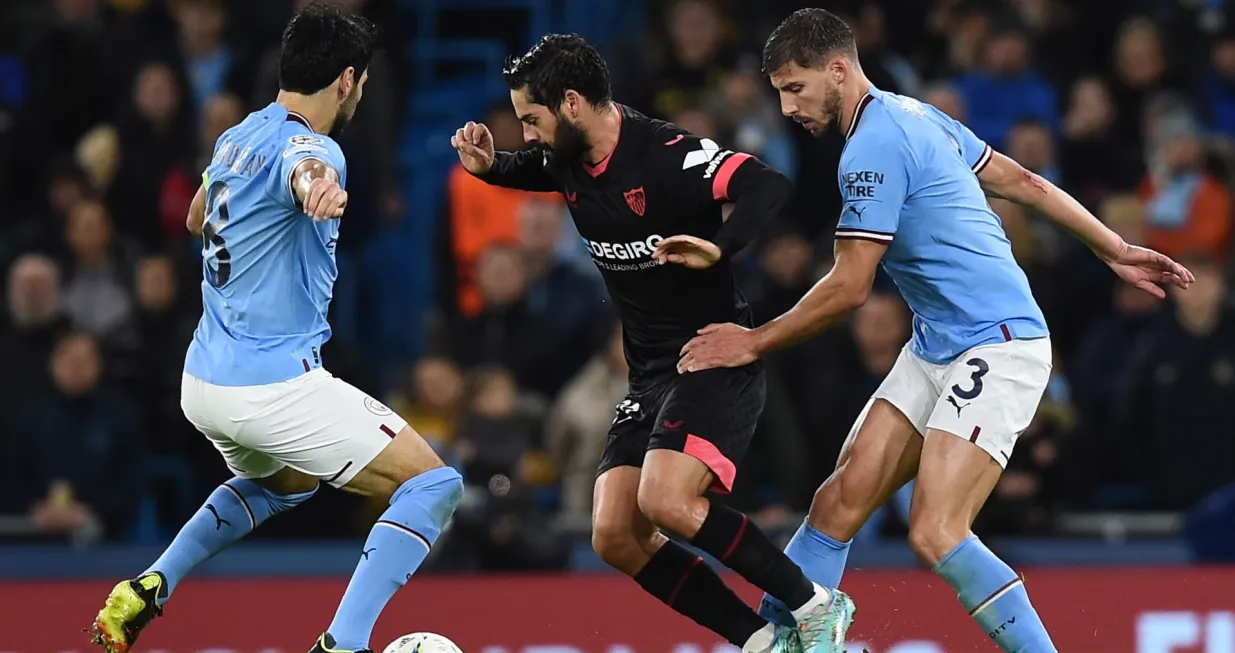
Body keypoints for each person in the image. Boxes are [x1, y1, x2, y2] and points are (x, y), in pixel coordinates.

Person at [675, 9, 1194, 653]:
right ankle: (793, 641)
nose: (785, 107)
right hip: (935, 345)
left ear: (838, 69)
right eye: (780, 91)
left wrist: (751, 339)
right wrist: (1113, 245)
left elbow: (850, 286)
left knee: (936, 531)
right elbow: (1022, 181)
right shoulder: (913, 113)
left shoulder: (873, 146)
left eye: (795, 87)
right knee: (836, 504)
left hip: (998, 346)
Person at [451, 34, 853, 653]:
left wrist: (722, 247)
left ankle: (815, 605)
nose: (528, 134)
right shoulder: (567, 156)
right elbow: (539, 166)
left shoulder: (667, 153)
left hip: (712, 356)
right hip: (649, 376)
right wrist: (492, 167)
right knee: (613, 534)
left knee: (665, 501)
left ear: (574, 103)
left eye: (533, 119)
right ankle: (760, 642)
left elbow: (766, 185)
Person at [88, 6, 463, 653]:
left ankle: (149, 585)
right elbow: (304, 169)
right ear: (345, 81)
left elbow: (196, 215)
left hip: (204, 379)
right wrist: (313, 187)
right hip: (271, 383)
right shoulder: (316, 149)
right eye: (364, 84)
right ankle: (342, 643)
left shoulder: (237, 135)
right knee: (433, 483)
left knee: (286, 481)